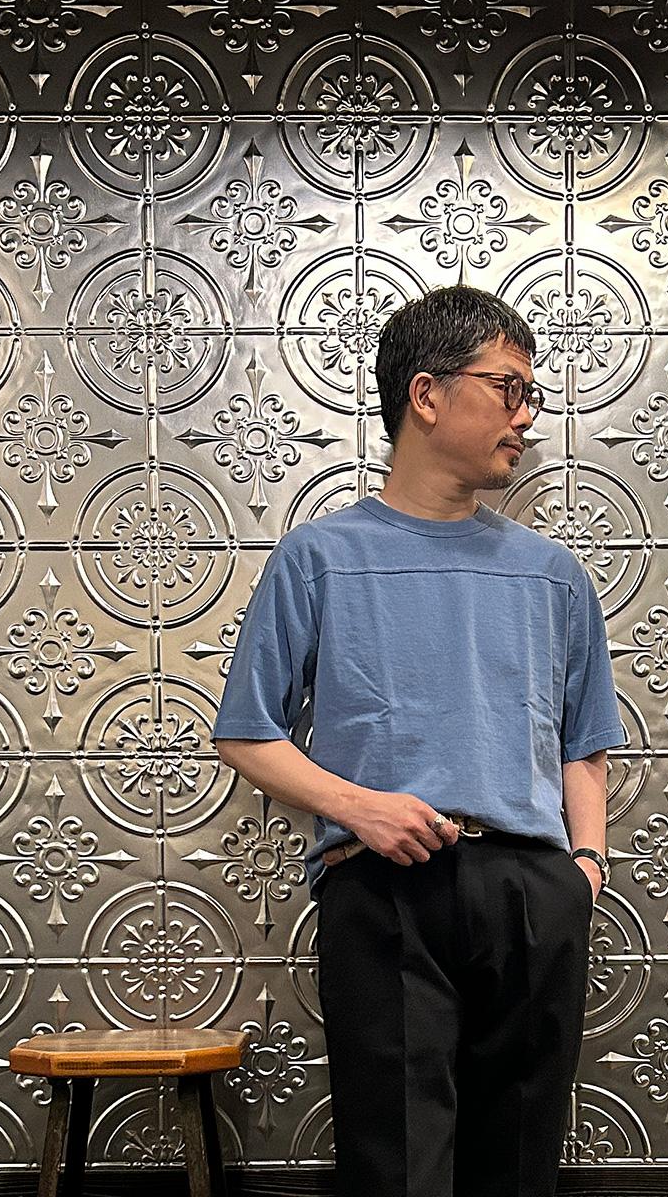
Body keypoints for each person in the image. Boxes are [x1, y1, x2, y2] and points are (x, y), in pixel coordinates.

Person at [212, 284, 627, 1196]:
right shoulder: (319, 558)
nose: (526, 416)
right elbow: (245, 733)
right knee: (395, 1163)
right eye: (508, 388)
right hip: (383, 888)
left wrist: (584, 870)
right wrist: (358, 808)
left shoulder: (553, 573)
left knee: (520, 1164)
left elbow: (584, 744)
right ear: (427, 394)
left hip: (533, 889)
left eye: (530, 395)